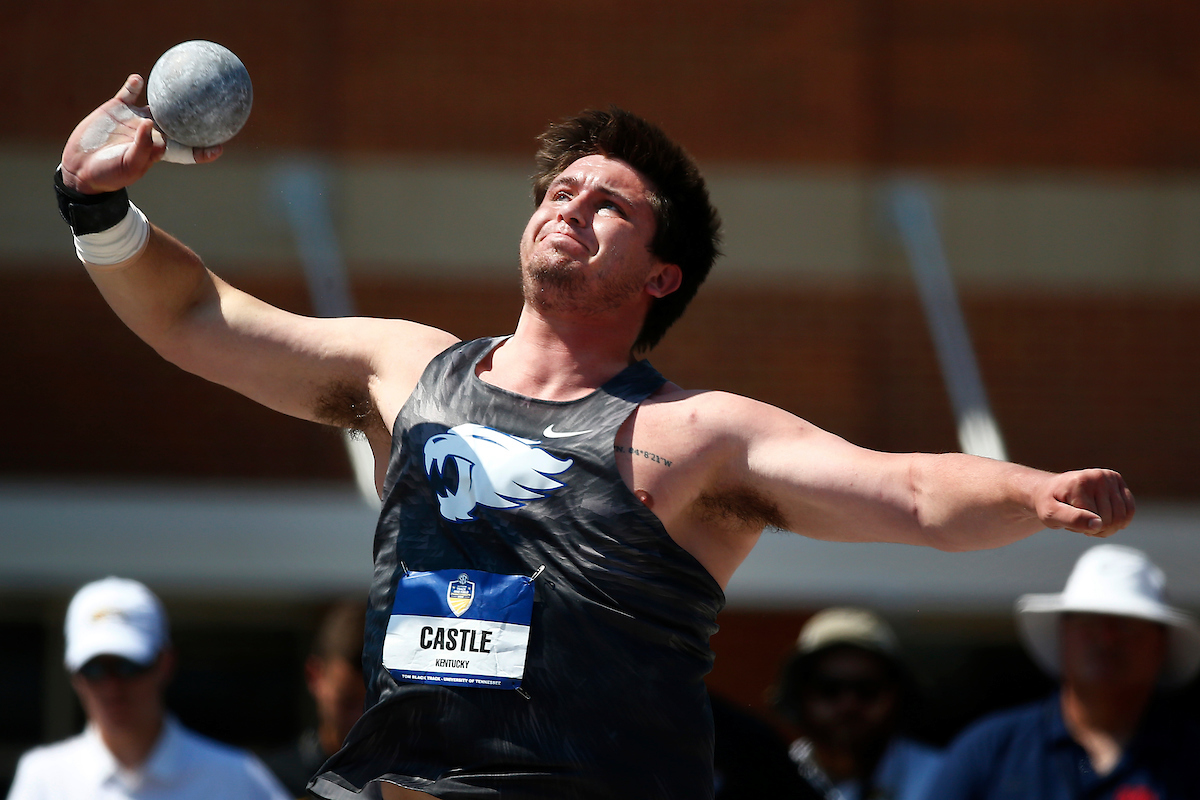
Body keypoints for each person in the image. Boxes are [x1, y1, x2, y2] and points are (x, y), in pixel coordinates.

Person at [55, 74, 1136, 800]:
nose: (569, 203)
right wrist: (97, 211)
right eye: (559, 188)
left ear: (662, 275)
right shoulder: (406, 369)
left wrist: (1033, 492)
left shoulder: (696, 434)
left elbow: (903, 489)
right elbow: (200, 318)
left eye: (608, 202)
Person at [926, 543, 1200, 799]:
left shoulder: (1192, 758)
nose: (1107, 638)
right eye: (1089, 620)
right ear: (1062, 633)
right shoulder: (990, 750)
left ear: (1161, 644)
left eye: (1127, 624)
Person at [7, 576, 290, 800]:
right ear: (74, 675)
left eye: (129, 666)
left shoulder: (236, 777)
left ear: (165, 664)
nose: (111, 685)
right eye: (92, 669)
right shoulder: (43, 778)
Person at [772, 607, 942, 800]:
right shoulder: (768, 778)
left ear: (897, 695)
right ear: (799, 696)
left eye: (867, 690)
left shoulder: (941, 778)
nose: (848, 705)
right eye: (829, 689)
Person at [265, 599, 368, 798]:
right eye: (347, 702)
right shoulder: (270, 782)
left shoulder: (411, 784)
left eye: (374, 704)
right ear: (314, 676)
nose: (360, 719)